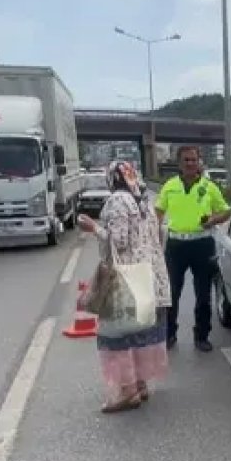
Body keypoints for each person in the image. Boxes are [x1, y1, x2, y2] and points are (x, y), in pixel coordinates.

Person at [77, 161, 171, 413]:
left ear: (113, 179)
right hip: (149, 279)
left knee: (116, 335)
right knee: (139, 333)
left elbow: (118, 241)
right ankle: (140, 385)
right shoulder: (143, 200)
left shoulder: (118, 201)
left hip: (125, 281)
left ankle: (127, 392)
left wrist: (93, 228)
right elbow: (160, 236)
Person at [155, 146, 231, 352]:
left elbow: (226, 211)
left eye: (193, 160)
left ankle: (201, 335)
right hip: (176, 246)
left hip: (202, 244)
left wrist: (213, 220)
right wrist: (153, 238)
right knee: (171, 293)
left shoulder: (209, 187)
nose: (190, 163)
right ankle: (169, 334)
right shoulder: (169, 186)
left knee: (203, 294)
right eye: (186, 160)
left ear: (199, 162)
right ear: (179, 163)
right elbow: (158, 212)